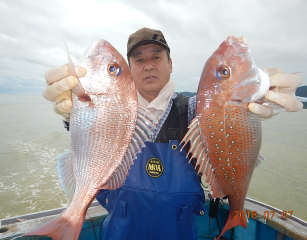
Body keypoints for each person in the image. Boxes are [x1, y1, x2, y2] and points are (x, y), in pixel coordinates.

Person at [43, 28, 303, 240]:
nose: (148, 65)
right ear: (130, 69)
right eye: (139, 59)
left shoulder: (195, 109)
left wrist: (263, 95)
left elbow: (223, 118)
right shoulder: (111, 113)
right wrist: (72, 111)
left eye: (156, 56)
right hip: (121, 233)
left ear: (170, 64)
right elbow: (90, 137)